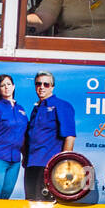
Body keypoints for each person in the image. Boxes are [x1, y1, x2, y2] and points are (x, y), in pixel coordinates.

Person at [22, 72, 77, 201]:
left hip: (49, 166)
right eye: (38, 84)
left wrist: (63, 164)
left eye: (46, 84)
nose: (42, 87)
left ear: (52, 87)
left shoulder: (62, 106)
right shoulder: (36, 109)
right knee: (30, 203)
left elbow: (69, 137)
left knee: (45, 204)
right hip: (31, 165)